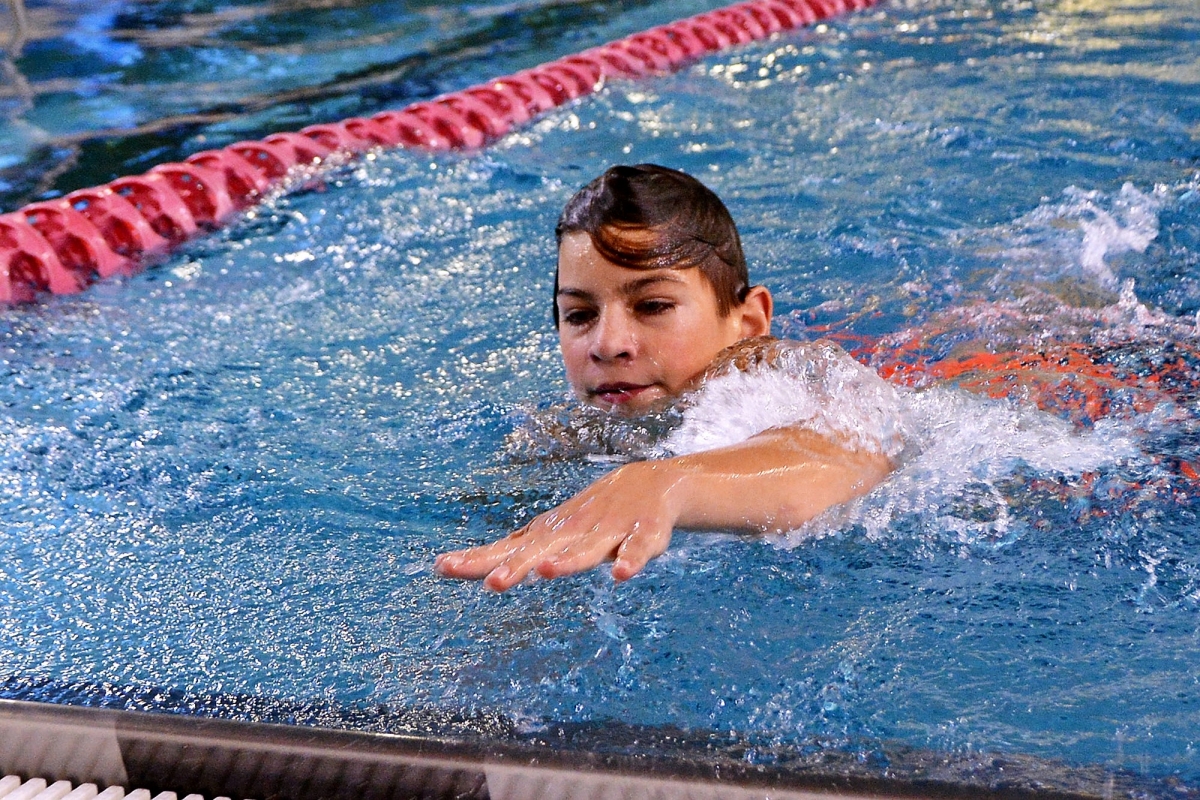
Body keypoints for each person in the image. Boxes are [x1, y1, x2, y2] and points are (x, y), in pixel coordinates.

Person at [434, 164, 898, 591]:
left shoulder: (778, 376)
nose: (607, 343)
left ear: (749, 323)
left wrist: (666, 484)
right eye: (579, 314)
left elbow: (857, 455)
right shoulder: (560, 437)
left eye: (653, 306)